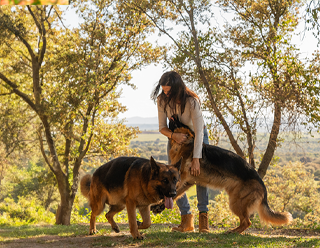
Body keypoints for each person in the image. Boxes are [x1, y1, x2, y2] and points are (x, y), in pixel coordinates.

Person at [151, 71, 210, 233]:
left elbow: (198, 132)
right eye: (163, 90)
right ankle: (186, 220)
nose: (165, 93)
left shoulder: (192, 102)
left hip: (197, 137)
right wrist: (173, 135)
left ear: (178, 88)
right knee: (174, 177)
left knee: (199, 176)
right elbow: (162, 127)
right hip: (176, 138)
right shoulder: (162, 100)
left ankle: (203, 220)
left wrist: (196, 158)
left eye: (168, 90)